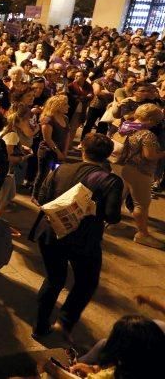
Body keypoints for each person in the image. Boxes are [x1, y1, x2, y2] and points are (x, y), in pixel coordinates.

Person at [31, 133, 123, 344]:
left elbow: (44, 199)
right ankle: (65, 321)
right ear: (108, 156)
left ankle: (39, 326)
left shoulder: (60, 169)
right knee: (86, 281)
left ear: (82, 149)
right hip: (83, 240)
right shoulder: (111, 181)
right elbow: (112, 216)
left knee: (54, 279)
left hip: (51, 232)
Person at [113, 103, 165, 248]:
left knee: (119, 197)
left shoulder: (126, 126)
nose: (157, 124)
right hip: (140, 171)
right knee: (141, 204)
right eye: (156, 121)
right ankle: (142, 234)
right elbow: (149, 155)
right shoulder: (147, 134)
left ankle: (111, 222)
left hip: (122, 166)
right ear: (150, 120)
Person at [32, 94, 70, 201]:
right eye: (65, 104)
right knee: (42, 174)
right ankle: (35, 196)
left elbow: (67, 135)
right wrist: (58, 152)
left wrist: (65, 151)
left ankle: (48, 195)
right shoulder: (48, 119)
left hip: (60, 151)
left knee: (55, 175)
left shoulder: (65, 118)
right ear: (58, 106)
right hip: (47, 151)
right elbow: (47, 139)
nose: (68, 106)